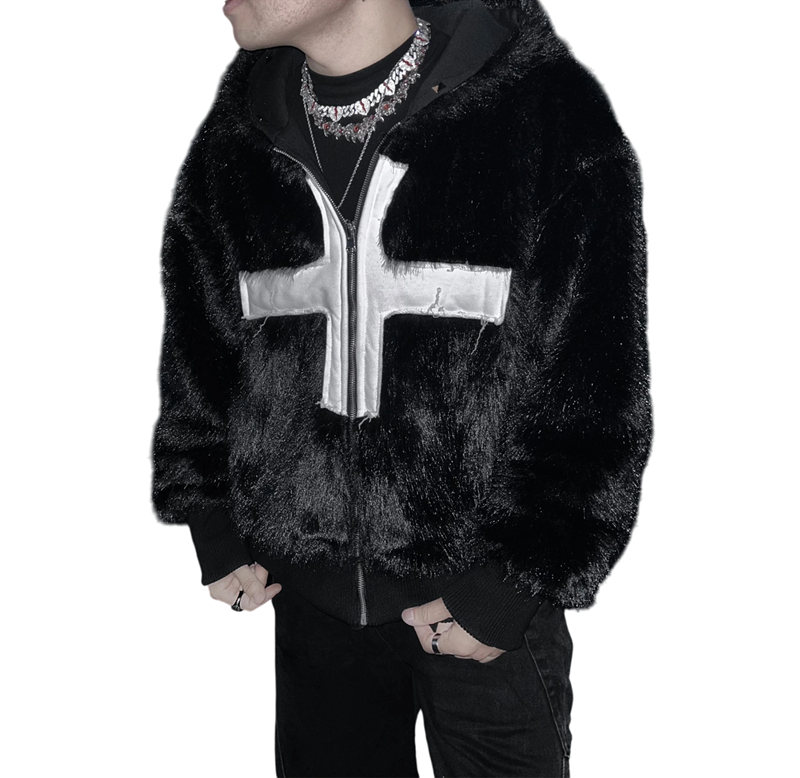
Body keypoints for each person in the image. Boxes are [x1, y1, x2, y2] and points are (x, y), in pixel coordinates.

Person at [150, 0, 653, 775]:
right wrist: (212, 518)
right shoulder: (241, 137)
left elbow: (594, 386)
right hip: (312, 603)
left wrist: (508, 589)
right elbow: (203, 342)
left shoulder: (539, 114)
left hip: (484, 603)